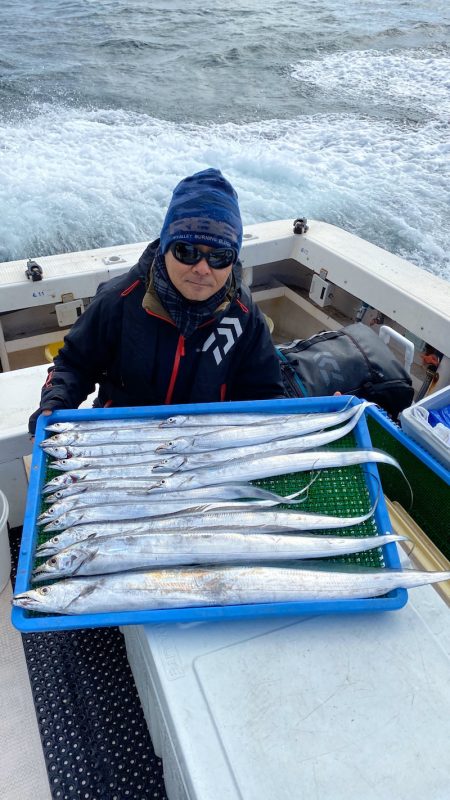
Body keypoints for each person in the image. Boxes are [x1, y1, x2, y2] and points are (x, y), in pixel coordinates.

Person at [29, 168, 285, 435]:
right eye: (186, 251)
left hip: (205, 442)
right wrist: (56, 398)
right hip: (118, 435)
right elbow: (74, 363)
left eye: (219, 256)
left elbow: (265, 394)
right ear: (165, 247)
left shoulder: (245, 316)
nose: (202, 268)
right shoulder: (119, 300)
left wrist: (326, 415)